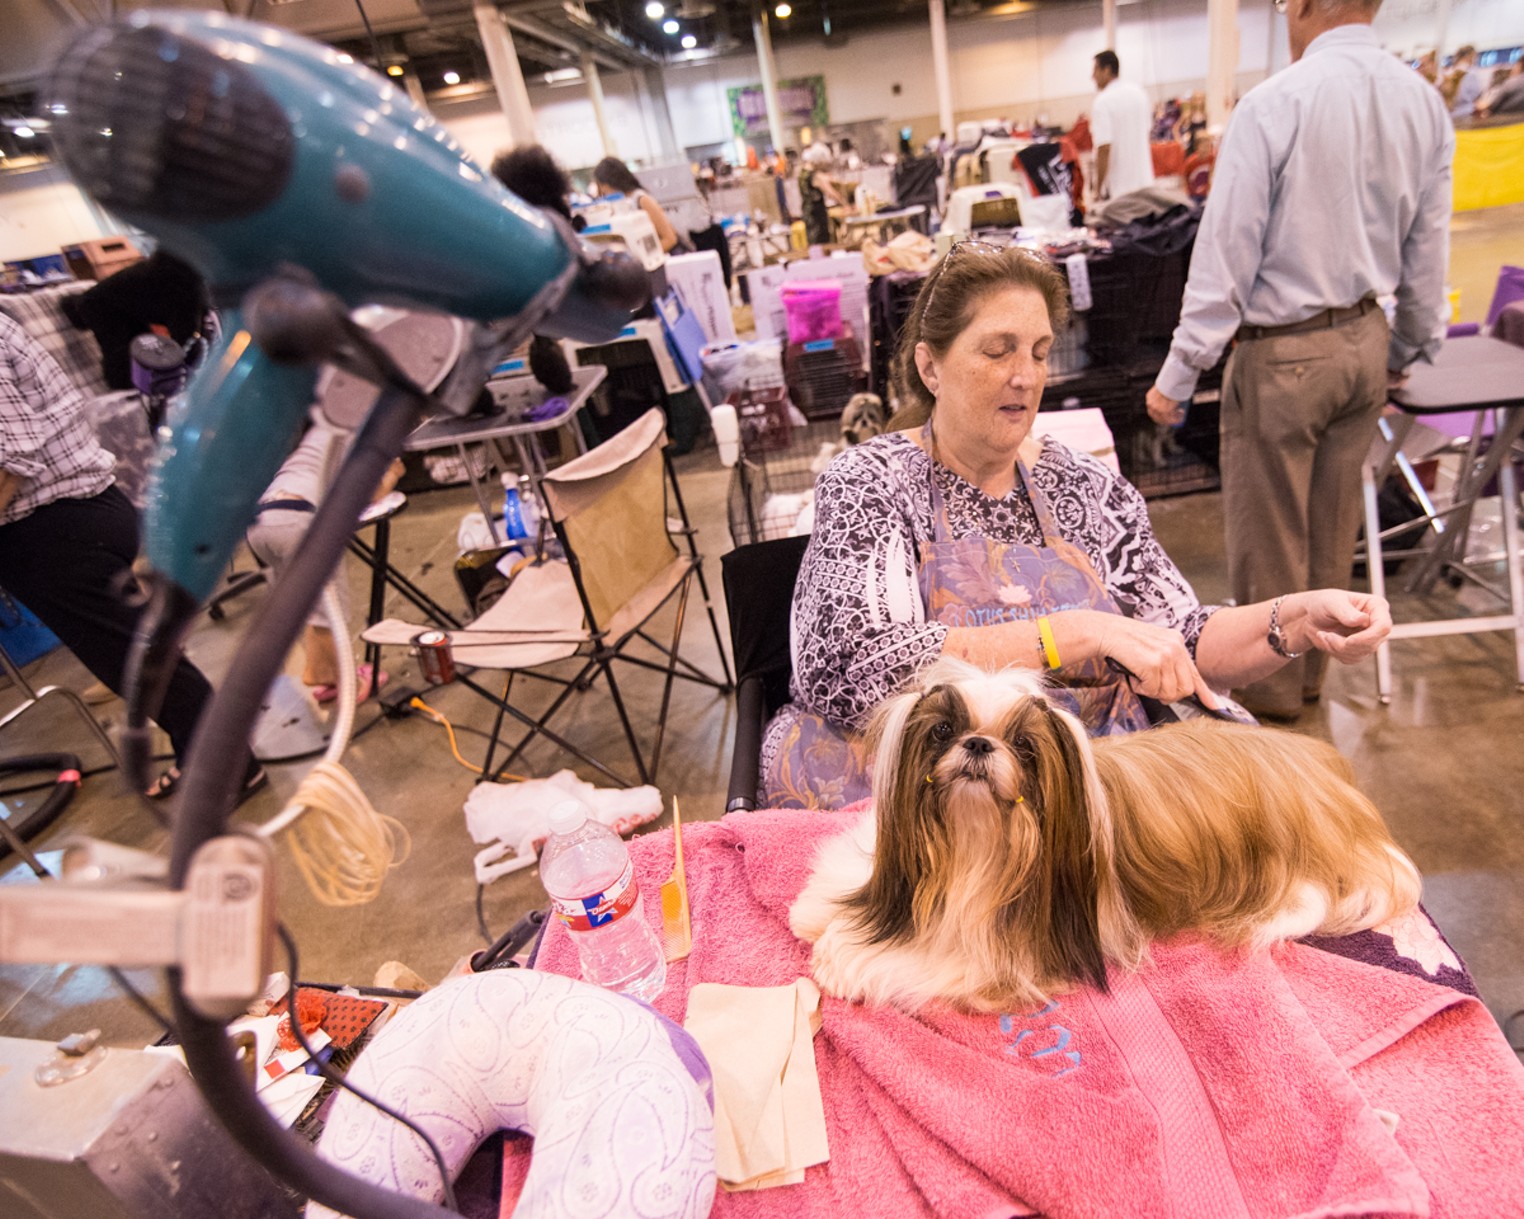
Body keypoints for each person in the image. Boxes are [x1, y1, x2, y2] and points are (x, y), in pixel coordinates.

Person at [759, 246, 1391, 809]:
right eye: (997, 350)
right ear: (931, 367)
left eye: (1038, 353)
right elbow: (847, 667)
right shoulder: (874, 481)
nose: (1026, 376)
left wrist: (1295, 620)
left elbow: (1181, 639)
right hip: (930, 796)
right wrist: (1075, 633)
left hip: (1080, 790)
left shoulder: (1086, 489)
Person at [1145, 0, 1452, 721]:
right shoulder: (1424, 104)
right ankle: (1314, 686)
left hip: (1283, 352)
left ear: (1308, 4)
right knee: (1332, 527)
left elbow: (1225, 259)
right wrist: (1405, 347)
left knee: (1270, 536)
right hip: (1365, 341)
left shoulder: (1274, 104)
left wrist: (1177, 376)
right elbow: (1427, 252)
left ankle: (1273, 706)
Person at [0, 312, 263, 800]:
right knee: (138, 658)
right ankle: (209, 758)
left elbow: (8, 462)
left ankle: (228, 769)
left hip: (56, 528)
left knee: (141, 664)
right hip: (69, 521)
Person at [1089, 50, 1156, 200]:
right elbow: (1146, 133)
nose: (1092, 77)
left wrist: (1098, 190)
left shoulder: (1102, 102)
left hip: (1120, 193)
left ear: (1106, 70)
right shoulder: (1140, 94)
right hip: (1145, 185)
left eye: (1095, 71)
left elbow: (1104, 148)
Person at [590, 157, 687, 254]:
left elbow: (670, 239)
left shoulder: (641, 199)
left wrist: (643, 259)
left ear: (610, 182)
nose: (602, 191)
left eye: (602, 185)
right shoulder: (618, 204)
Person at [799, 143, 848, 246]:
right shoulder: (816, 176)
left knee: (813, 244)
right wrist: (845, 205)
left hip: (807, 212)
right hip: (817, 215)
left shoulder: (803, 173)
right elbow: (832, 193)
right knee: (821, 243)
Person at [1443, 45, 1484, 117]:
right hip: (1466, 112)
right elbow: (1476, 95)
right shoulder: (1471, 73)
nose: (1475, 60)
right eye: (1475, 57)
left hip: (1449, 114)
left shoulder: (1448, 72)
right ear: (1469, 56)